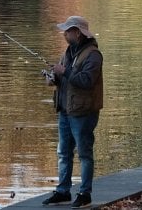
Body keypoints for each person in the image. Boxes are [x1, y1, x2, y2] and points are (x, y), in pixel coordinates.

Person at [40, 16, 104, 208]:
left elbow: (85, 81)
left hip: (84, 112)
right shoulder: (68, 52)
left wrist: (64, 71)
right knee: (63, 152)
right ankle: (63, 191)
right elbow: (66, 79)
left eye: (67, 31)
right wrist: (53, 78)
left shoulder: (94, 55)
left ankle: (85, 194)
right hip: (66, 111)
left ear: (77, 32)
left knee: (84, 153)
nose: (64, 34)